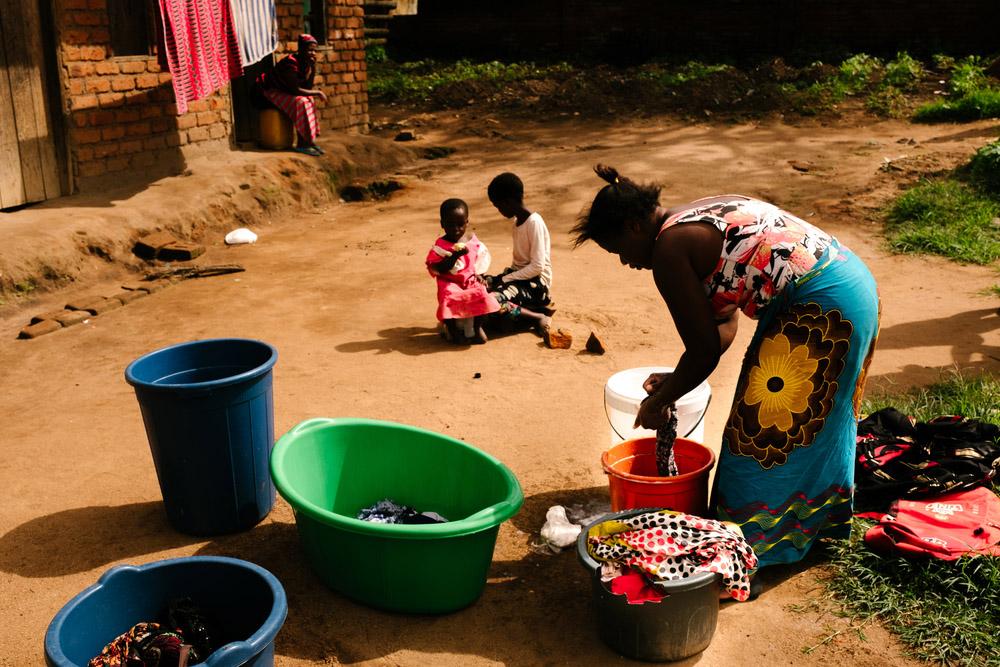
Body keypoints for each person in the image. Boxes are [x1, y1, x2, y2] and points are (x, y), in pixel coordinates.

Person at [572, 164, 880, 593]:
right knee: (818, 426)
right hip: (850, 285)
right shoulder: (694, 216)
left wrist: (658, 402)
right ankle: (817, 531)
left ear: (634, 225)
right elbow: (721, 328)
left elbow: (701, 352)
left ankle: (747, 554)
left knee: (760, 435)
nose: (626, 262)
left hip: (820, 304)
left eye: (619, 249)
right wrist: (675, 379)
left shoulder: (669, 249)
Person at [484, 172, 554, 331]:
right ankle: (523, 312)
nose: (499, 211)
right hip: (520, 277)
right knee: (482, 284)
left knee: (494, 300)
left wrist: (507, 279)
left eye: (498, 206)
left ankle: (538, 316)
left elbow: (537, 267)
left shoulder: (534, 222)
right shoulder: (517, 223)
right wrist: (498, 280)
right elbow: (518, 265)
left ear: (508, 202)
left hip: (537, 283)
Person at [426, 198, 500, 344]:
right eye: (450, 225)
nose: (456, 229)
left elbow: (480, 259)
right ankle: (453, 330)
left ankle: (477, 327)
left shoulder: (471, 240)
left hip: (469, 279)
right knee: (448, 297)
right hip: (450, 281)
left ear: (467, 222)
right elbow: (439, 268)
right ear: (442, 224)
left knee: (482, 293)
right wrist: (455, 256)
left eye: (460, 224)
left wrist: (480, 275)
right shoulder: (440, 246)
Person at [255, 34, 328, 156]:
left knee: (308, 99)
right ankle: (302, 145)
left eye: (315, 50)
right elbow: (295, 89)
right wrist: (318, 92)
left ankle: (309, 141)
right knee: (302, 102)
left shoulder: (306, 64)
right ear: (301, 50)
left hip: (284, 91)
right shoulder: (290, 63)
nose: (313, 53)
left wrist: (311, 68)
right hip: (266, 91)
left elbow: (307, 88)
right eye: (310, 50)